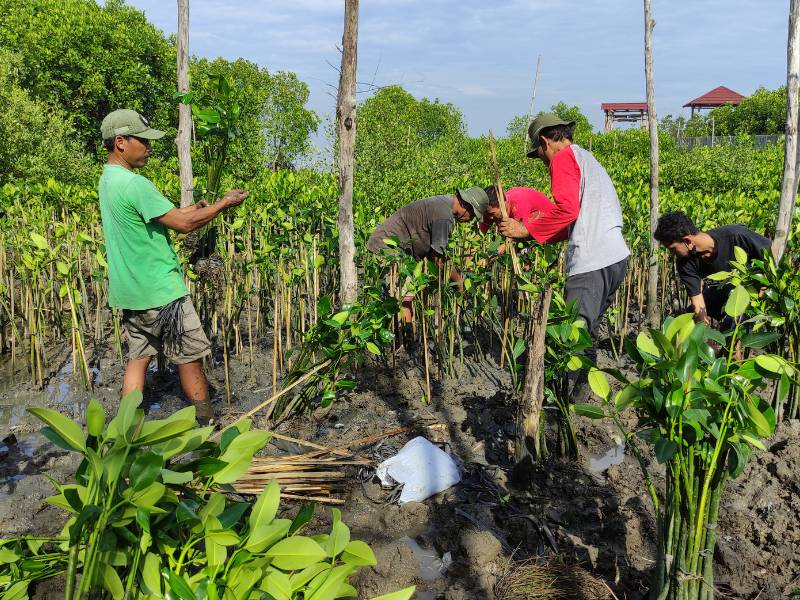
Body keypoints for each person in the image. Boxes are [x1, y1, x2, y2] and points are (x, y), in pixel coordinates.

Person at [99, 109, 248, 424]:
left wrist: (193, 209)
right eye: (143, 141)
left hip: (131, 292)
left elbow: (160, 216)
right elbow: (183, 225)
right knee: (190, 358)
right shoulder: (135, 184)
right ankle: (206, 425)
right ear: (121, 142)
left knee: (138, 361)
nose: (149, 147)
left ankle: (127, 431)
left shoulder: (108, 180)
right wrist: (224, 203)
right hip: (161, 292)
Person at [498, 113, 630, 399]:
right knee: (585, 333)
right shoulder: (586, 159)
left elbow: (567, 210)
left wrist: (525, 228)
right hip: (615, 258)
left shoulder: (563, 158)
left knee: (570, 336)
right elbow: (574, 221)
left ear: (546, 141)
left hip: (592, 261)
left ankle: (559, 407)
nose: (544, 161)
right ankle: (580, 398)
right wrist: (532, 234)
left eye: (540, 154)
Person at [366, 187, 488, 322]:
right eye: (473, 215)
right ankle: (404, 338)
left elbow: (433, 253)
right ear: (466, 205)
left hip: (386, 244)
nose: (471, 220)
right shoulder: (444, 217)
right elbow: (438, 259)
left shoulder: (444, 203)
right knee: (404, 298)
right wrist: (459, 281)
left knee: (397, 297)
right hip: (388, 247)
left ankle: (398, 334)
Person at [654, 211, 771, 324]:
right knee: (687, 321)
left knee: (732, 323)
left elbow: (774, 257)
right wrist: (705, 336)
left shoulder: (736, 236)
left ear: (687, 240)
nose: (671, 253)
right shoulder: (684, 262)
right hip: (722, 292)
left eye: (672, 248)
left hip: (756, 291)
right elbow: (697, 301)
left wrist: (760, 294)